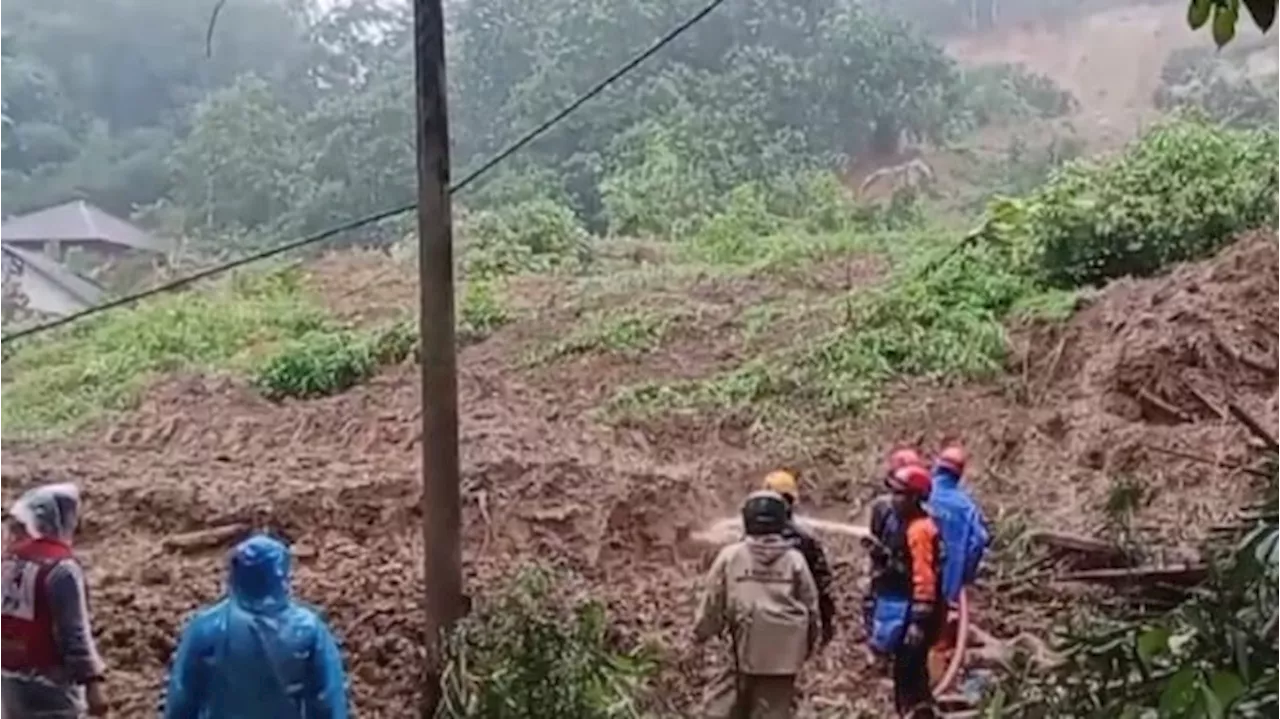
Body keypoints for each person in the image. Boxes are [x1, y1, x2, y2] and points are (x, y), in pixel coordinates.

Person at [164, 534, 348, 719]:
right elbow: (327, 701)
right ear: (282, 575)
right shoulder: (309, 629)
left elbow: (183, 698)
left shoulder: (207, 628)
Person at [694, 491, 820, 719]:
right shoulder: (795, 561)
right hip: (782, 658)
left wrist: (701, 633)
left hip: (735, 651)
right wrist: (807, 648)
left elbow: (712, 602)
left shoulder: (730, 557)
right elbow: (811, 608)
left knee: (719, 710)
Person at [0, 483, 108, 718]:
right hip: (52, 686)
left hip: (10, 683)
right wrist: (93, 684)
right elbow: (74, 633)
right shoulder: (62, 568)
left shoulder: (8, 561)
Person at [865, 465, 942, 718]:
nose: (894, 499)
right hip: (904, 604)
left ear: (914, 498)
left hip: (915, 609)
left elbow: (924, 576)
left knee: (909, 676)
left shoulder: (919, 529)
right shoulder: (907, 523)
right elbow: (904, 565)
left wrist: (918, 622)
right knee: (909, 672)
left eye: (900, 494)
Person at [925, 444, 990, 685]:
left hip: (913, 579)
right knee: (938, 634)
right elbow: (979, 540)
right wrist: (966, 574)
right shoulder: (965, 506)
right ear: (959, 474)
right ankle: (932, 686)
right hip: (947, 583)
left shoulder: (921, 493)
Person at [760, 470, 835, 647]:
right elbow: (822, 585)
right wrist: (826, 622)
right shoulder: (805, 540)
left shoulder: (747, 542)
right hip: (793, 619)